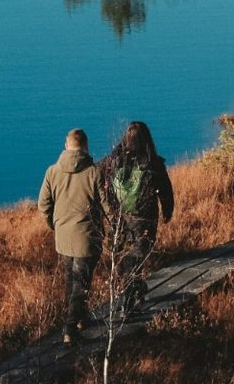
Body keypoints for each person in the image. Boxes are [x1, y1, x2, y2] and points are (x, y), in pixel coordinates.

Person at [98, 121, 176, 310]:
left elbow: (99, 178)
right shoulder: (153, 163)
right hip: (144, 218)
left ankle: (131, 292)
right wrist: (167, 212)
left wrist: (106, 207)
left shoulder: (112, 161)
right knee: (137, 258)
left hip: (119, 218)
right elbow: (165, 191)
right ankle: (130, 299)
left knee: (124, 258)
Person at [39, 128, 102, 343]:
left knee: (72, 280)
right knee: (81, 282)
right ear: (85, 147)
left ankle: (80, 319)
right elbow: (107, 206)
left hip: (63, 237)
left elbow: (43, 205)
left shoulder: (52, 172)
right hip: (87, 236)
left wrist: (55, 225)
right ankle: (69, 328)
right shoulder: (94, 172)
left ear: (66, 146)